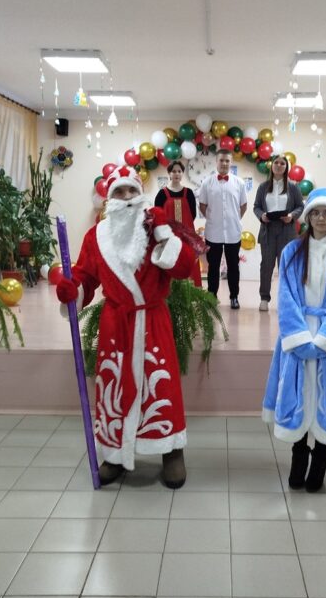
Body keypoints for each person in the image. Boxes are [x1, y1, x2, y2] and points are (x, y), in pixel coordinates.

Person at [56, 165, 196, 489]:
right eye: (120, 191)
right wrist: (72, 290)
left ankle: (171, 449)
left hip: (153, 320)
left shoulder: (157, 228)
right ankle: (115, 454)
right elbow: (85, 276)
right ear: (110, 198)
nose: (127, 197)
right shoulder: (96, 236)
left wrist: (164, 233)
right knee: (114, 386)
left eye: (133, 190)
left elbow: (184, 267)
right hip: (115, 324)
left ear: (141, 194)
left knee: (160, 384)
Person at [262, 187, 326, 493]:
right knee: (299, 393)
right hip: (299, 334)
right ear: (307, 217)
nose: (321, 218)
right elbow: (286, 296)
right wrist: (299, 337)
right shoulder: (292, 252)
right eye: (315, 213)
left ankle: (320, 462)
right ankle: (297, 460)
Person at [252, 155, 304, 312]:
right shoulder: (263, 187)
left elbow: (300, 206)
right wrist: (261, 215)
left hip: (286, 231)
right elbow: (256, 206)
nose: (279, 165)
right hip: (267, 231)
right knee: (266, 266)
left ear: (286, 167)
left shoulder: (293, 187)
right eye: (276, 162)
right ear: (271, 166)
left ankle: (286, 300)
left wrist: (292, 216)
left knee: (286, 267)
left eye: (283, 163)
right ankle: (264, 299)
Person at [197, 149, 247, 309]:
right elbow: (202, 205)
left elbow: (243, 205)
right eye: (221, 160)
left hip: (233, 232)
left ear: (231, 162)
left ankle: (234, 297)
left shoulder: (239, 183)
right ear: (216, 162)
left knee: (233, 267)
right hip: (213, 232)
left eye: (227, 161)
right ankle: (212, 296)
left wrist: (234, 219)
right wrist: (213, 219)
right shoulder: (207, 182)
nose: (224, 163)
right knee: (213, 267)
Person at [154, 160, 202, 287]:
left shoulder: (189, 193)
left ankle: (192, 293)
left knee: (189, 261)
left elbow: (193, 214)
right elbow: (157, 216)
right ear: (169, 173)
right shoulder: (162, 194)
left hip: (188, 237)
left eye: (179, 171)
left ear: (182, 174)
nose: (176, 174)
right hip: (169, 237)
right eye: (174, 171)